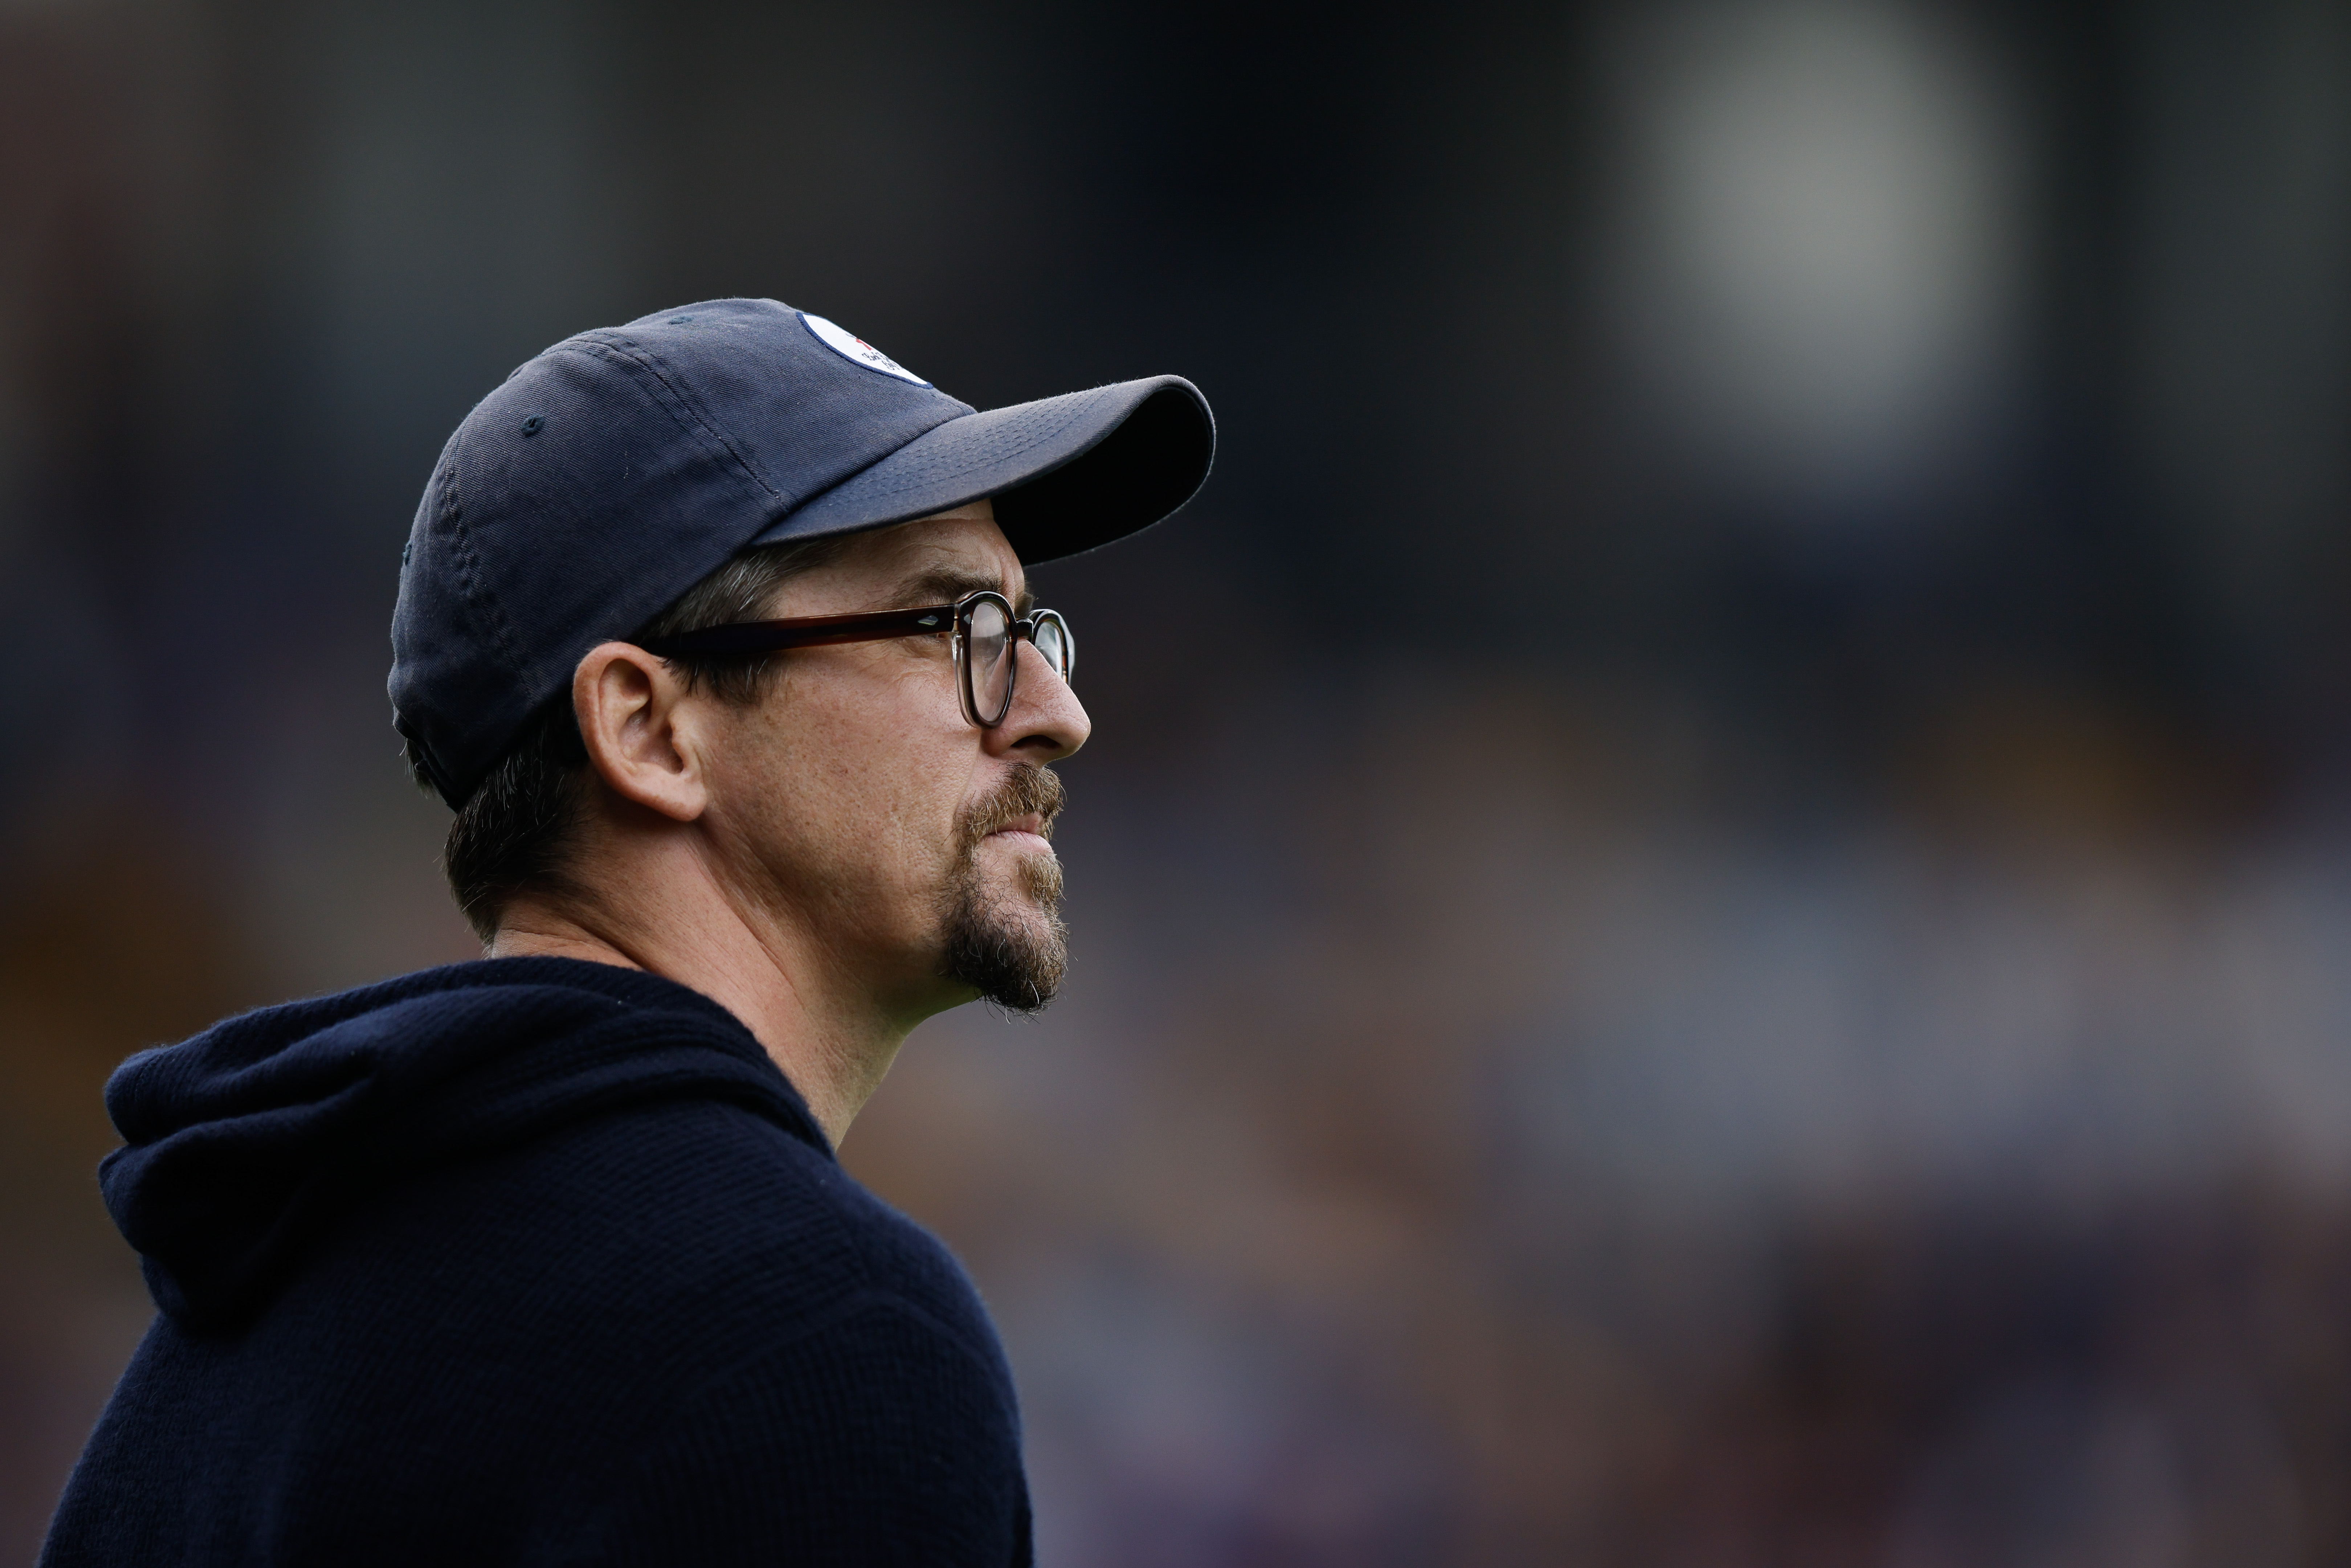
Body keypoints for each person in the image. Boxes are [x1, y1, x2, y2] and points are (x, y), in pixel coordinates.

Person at [39, 299, 1215, 1567]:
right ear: (651, 731)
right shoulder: (813, 1335)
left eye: (1038, 629)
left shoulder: (223, 1347)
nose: (1058, 712)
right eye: (958, 626)